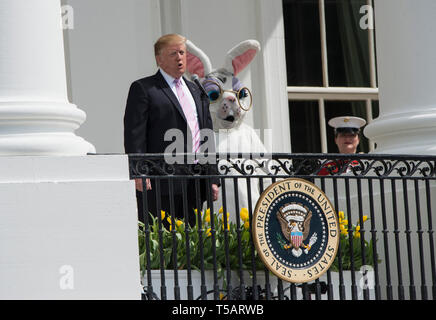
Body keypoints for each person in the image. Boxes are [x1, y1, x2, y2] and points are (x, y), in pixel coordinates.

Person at [123, 34, 219, 226]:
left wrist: (212, 176)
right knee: (163, 242)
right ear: (159, 59)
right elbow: (134, 134)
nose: (179, 58)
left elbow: (205, 133)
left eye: (182, 52)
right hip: (161, 181)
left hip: (195, 180)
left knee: (193, 242)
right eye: (173, 53)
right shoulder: (144, 88)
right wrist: (139, 171)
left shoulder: (196, 90)